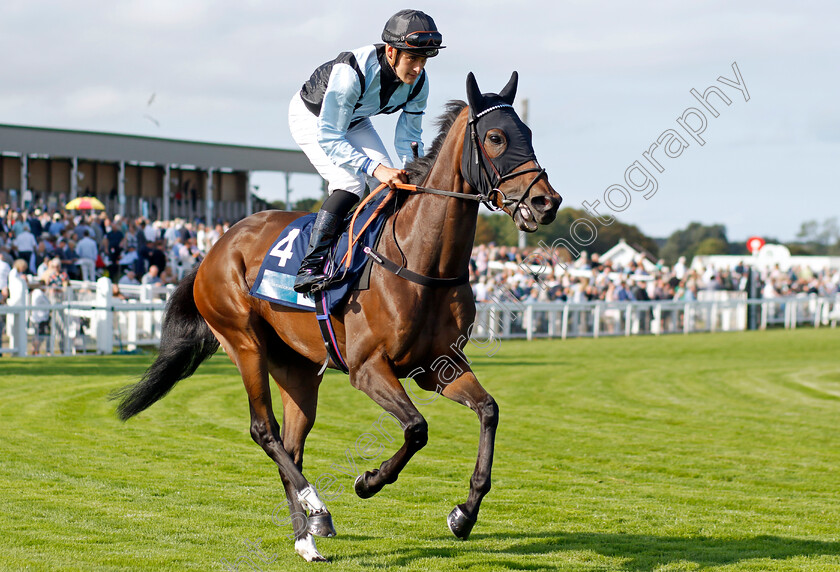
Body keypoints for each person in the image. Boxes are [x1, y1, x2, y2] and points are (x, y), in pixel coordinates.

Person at [288, 9, 444, 293]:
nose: (418, 68)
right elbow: (331, 137)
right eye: (413, 58)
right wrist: (377, 168)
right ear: (391, 52)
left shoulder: (420, 83)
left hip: (356, 120)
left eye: (423, 60)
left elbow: (409, 138)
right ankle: (310, 265)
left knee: (387, 188)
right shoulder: (351, 73)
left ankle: (368, 255)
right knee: (351, 183)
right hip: (314, 119)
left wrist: (416, 174)